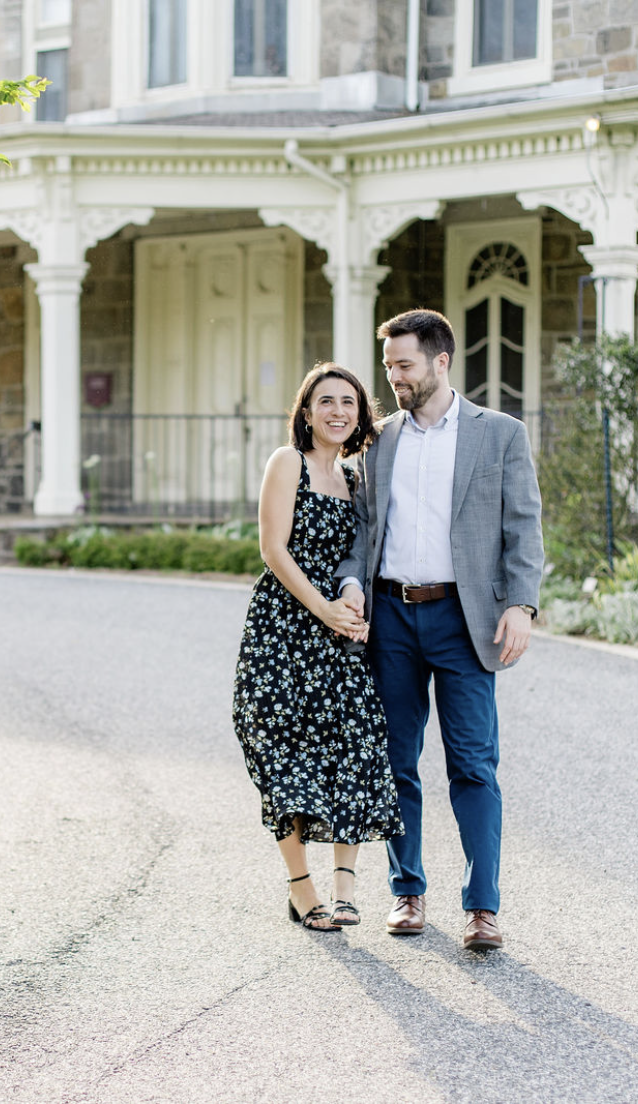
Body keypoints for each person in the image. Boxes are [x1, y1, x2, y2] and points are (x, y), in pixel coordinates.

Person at [335, 309, 544, 951]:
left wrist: (521, 603)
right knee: (397, 761)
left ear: (440, 360)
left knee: (474, 766)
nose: (393, 377)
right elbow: (361, 529)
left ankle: (482, 909)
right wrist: (348, 583)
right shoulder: (377, 441)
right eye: (388, 366)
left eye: (404, 365)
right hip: (390, 617)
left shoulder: (500, 435)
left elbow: (524, 525)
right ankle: (407, 894)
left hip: (464, 619)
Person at [233, 363, 404, 932]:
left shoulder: (357, 480)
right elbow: (273, 550)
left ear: (361, 415)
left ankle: (347, 890)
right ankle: (302, 887)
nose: (338, 412)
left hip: (341, 640)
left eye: (349, 403)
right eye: (326, 401)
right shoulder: (288, 464)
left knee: (353, 749)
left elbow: (361, 558)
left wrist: (349, 606)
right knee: (285, 757)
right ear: (306, 412)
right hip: (284, 632)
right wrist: (323, 608)